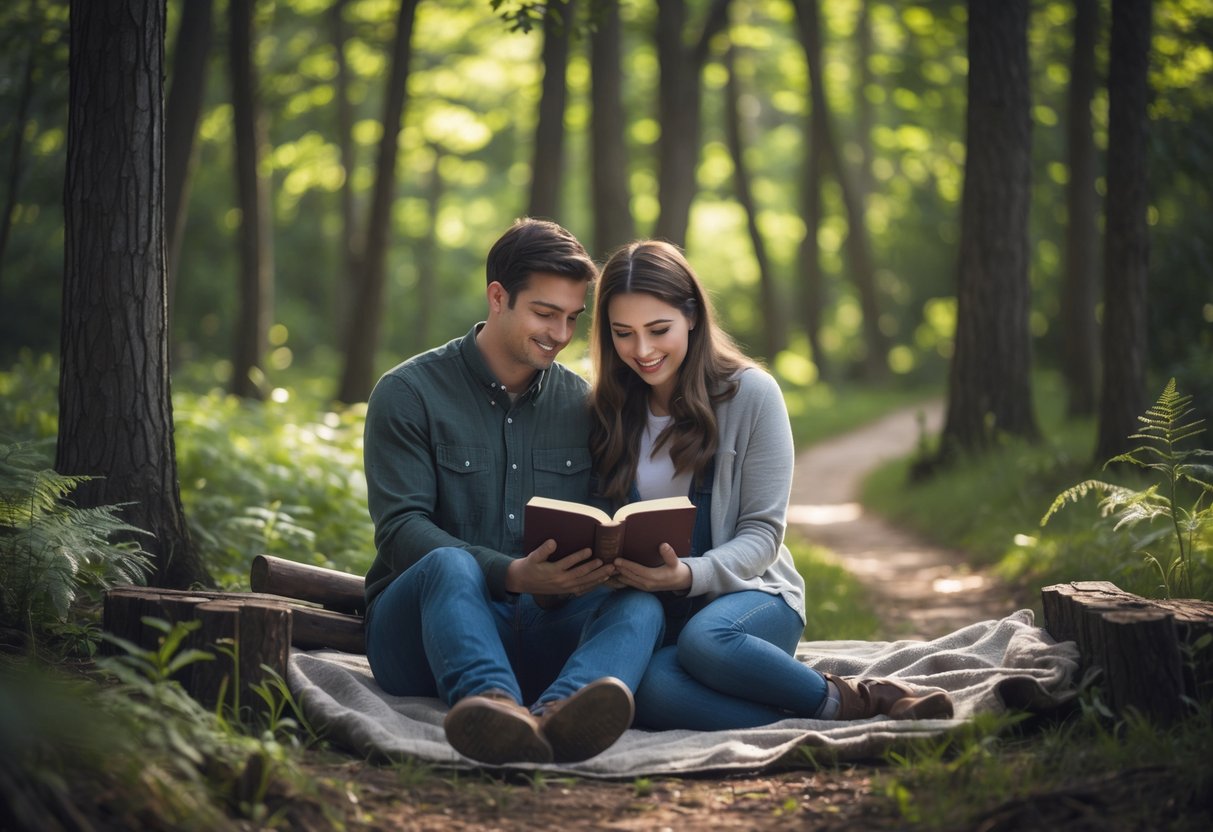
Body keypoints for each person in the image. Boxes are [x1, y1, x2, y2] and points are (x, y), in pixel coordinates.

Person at [588, 240, 953, 729]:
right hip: (654, 611)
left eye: (659, 330)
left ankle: (863, 699)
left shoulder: (751, 395)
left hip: (750, 598)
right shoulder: (605, 410)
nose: (643, 351)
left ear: (692, 317)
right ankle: (813, 712)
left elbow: (762, 535)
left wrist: (687, 575)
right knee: (650, 691)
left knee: (706, 640)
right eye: (623, 334)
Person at [362, 219, 666, 765]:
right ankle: (491, 706)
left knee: (640, 605)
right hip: (422, 636)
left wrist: (592, 570)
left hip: (545, 628)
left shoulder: (586, 406)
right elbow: (401, 530)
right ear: (498, 296)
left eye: (572, 318)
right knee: (451, 565)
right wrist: (510, 573)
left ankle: (559, 715)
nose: (560, 333)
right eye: (545, 314)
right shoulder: (408, 394)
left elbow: (606, 517)